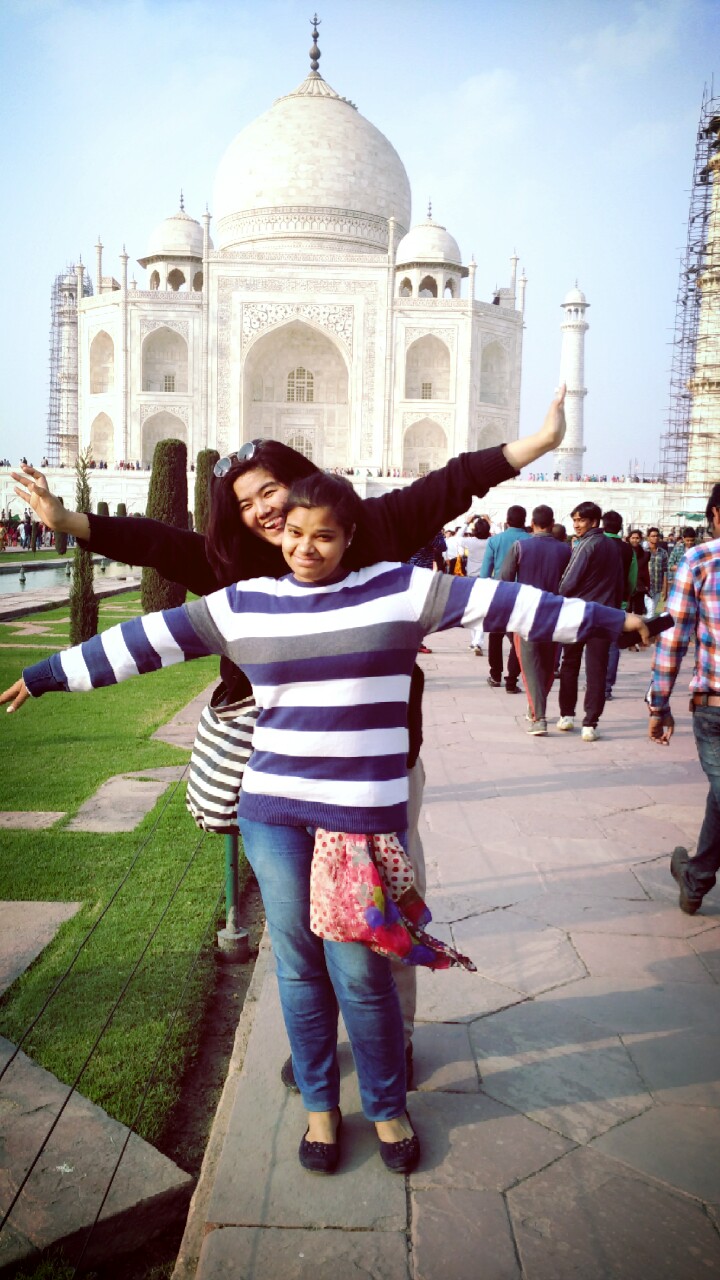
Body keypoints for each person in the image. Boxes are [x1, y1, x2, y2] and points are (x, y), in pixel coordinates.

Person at [1, 471, 649, 1173]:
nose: (305, 549)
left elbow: (511, 604)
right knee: (299, 965)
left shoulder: (402, 590)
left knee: (361, 971)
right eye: (293, 533)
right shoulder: (245, 604)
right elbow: (144, 641)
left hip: (358, 821)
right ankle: (320, 1108)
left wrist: (615, 622)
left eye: (324, 536)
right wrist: (44, 676)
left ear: (349, 538)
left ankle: (387, 1108)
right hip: (274, 812)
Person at [11, 386, 570, 1090]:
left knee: (374, 916)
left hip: (373, 772)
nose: (263, 510)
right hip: (283, 776)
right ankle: (319, 1046)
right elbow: (155, 543)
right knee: (303, 928)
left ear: (297, 478)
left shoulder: (371, 529)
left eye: (268, 489)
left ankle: (390, 1046)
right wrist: (69, 521)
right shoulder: (233, 569)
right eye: (246, 503)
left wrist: (537, 444)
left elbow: (449, 483)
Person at [647, 484, 720, 916]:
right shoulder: (698, 558)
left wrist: (659, 704)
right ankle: (696, 875)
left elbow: (673, 638)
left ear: (715, 515)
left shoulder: (701, 559)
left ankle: (696, 876)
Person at [499, 504, 571, 734]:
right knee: (548, 665)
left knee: (530, 666)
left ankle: (538, 717)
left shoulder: (520, 546)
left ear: (532, 523)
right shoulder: (565, 550)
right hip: (555, 613)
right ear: (552, 524)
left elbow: (505, 579)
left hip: (526, 613)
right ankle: (535, 709)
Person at [556, 501, 624, 741]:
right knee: (597, 669)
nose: (576, 525)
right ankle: (590, 723)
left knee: (570, 664)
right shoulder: (613, 546)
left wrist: (560, 595)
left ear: (594, 522)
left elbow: (567, 582)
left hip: (580, 613)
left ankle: (567, 715)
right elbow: (620, 582)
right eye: (574, 520)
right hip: (604, 614)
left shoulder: (585, 545)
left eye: (581, 520)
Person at [479, 504, 530, 691]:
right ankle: (512, 680)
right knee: (517, 637)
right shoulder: (530, 541)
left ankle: (495, 674)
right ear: (525, 521)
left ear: (507, 521)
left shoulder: (495, 540)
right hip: (522, 594)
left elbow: (485, 572)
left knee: (496, 635)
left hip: (498, 592)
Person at [602, 510, 637, 700]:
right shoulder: (627, 549)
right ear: (620, 527)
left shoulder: (594, 544)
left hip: (596, 602)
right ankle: (607, 687)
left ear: (603, 525)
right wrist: (627, 595)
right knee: (613, 645)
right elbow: (632, 579)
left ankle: (595, 683)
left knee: (595, 643)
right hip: (618, 602)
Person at [459, 517, 491, 654]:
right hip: (486, 579)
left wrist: (466, 522)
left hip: (471, 580)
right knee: (483, 612)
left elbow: (457, 537)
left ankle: (474, 642)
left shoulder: (470, 542)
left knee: (472, 611)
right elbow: (500, 533)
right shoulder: (490, 542)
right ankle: (477, 642)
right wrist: (490, 522)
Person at [667, 526, 696, 593]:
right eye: (687, 540)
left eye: (692, 540)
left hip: (694, 583)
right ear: (683, 539)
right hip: (679, 582)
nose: (689, 542)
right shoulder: (677, 549)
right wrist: (679, 568)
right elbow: (669, 565)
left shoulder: (698, 550)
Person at [647, 527, 668, 613]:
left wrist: (665, 588)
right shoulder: (643, 551)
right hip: (646, 588)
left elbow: (665, 571)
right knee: (647, 612)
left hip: (657, 587)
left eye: (657, 536)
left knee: (651, 612)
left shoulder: (663, 553)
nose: (655, 538)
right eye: (653, 536)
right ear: (648, 537)